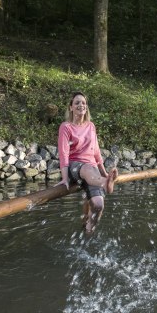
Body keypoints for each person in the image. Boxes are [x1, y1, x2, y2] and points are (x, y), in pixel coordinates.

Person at [57, 92, 118, 233]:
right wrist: (65, 178)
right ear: (71, 107)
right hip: (75, 166)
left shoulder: (91, 126)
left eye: (83, 103)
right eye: (77, 103)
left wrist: (104, 172)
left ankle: (89, 227)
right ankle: (104, 183)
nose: (81, 105)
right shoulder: (66, 127)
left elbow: (96, 151)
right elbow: (63, 153)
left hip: (92, 170)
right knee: (86, 168)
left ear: (86, 107)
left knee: (98, 205)